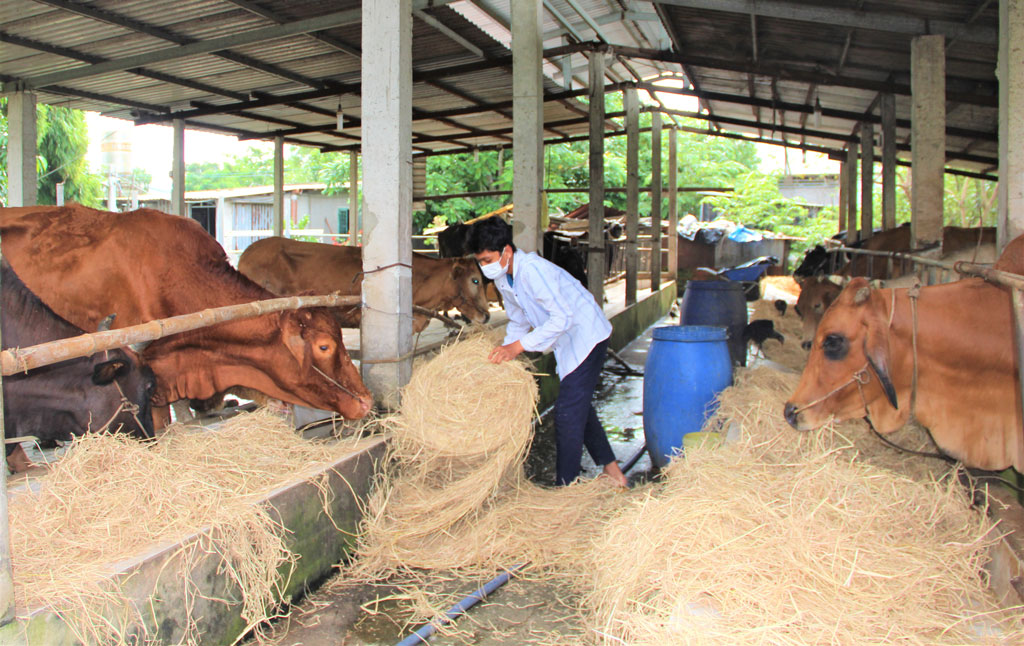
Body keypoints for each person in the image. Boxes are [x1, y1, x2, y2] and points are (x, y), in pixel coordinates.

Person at [466, 217, 628, 487]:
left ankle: (567, 487)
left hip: (586, 336)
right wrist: (507, 352)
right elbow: (518, 321)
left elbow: (562, 318)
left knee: (566, 413)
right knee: (579, 409)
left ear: (506, 251)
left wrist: (518, 346)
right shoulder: (505, 279)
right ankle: (614, 473)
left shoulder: (532, 270)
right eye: (480, 262)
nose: (485, 266)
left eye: (487, 259)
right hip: (567, 341)